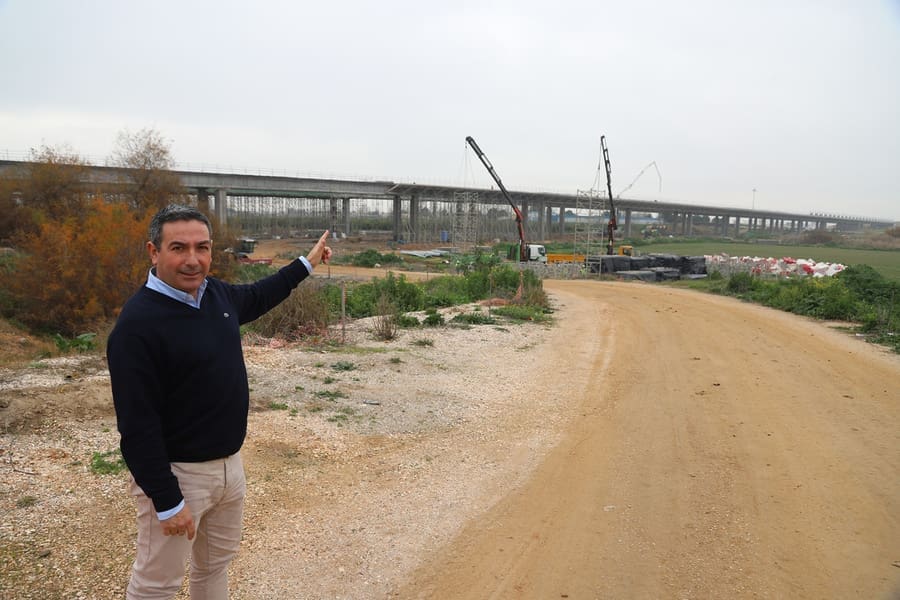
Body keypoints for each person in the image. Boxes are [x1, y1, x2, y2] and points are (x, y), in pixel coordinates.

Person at [107, 203, 332, 599]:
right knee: (157, 582)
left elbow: (262, 293)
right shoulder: (137, 325)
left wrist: (306, 264)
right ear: (153, 252)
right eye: (178, 248)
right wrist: (167, 499)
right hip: (180, 475)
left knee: (214, 569)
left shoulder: (217, 297)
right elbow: (137, 426)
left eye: (202, 247)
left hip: (230, 468)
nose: (193, 260)